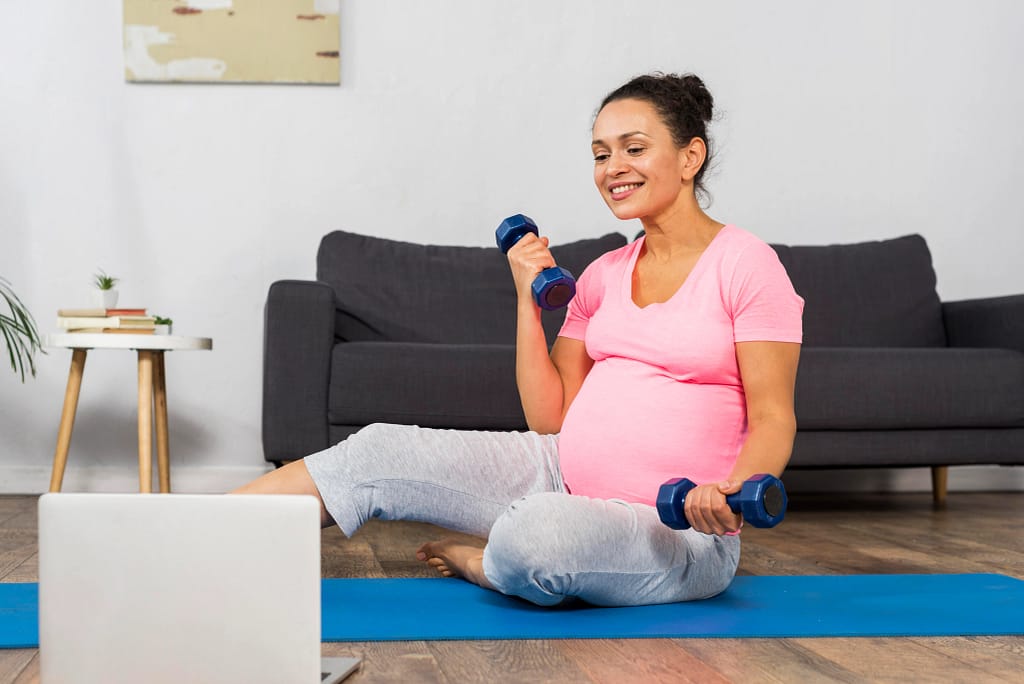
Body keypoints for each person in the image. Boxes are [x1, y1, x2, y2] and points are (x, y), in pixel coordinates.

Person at [234, 72, 803, 607]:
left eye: (633, 148)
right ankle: (200, 527)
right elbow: (549, 418)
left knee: (539, 534)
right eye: (600, 154)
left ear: (690, 157)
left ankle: (485, 563)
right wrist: (527, 299)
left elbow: (773, 416)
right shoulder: (603, 273)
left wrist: (729, 493)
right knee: (379, 450)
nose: (613, 168)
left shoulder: (746, 265)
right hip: (556, 473)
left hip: (680, 532)